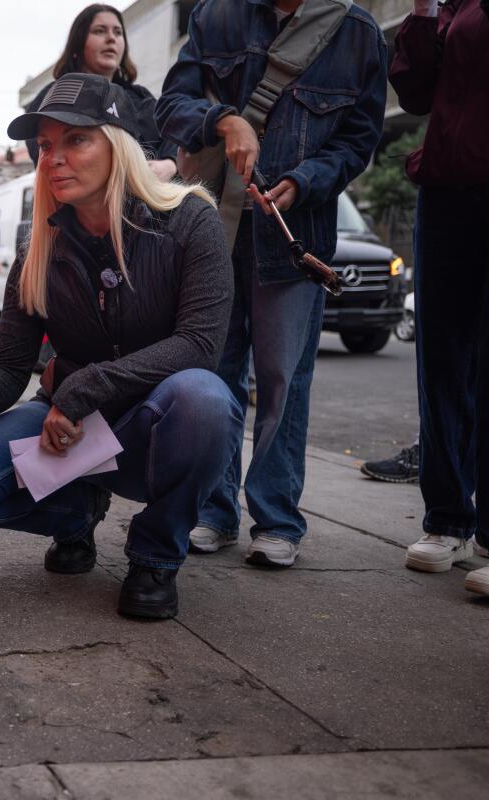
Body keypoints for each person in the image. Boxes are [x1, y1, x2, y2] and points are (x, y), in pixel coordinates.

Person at [0, 73, 241, 620]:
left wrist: (84, 386)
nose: (53, 159)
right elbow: (10, 368)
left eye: (76, 140)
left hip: (152, 428)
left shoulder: (189, 219)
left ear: (118, 146)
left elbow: (201, 345)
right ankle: (76, 513)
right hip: (68, 431)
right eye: (45, 146)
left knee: (205, 397)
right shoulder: (39, 249)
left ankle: (157, 555)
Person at [157, 0, 387, 568]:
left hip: (293, 237)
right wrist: (223, 120)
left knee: (284, 381)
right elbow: (170, 108)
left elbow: (359, 142)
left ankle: (278, 519)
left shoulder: (357, 32)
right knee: (213, 375)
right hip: (210, 233)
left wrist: (304, 180)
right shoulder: (217, 16)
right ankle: (213, 511)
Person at [388, 0, 489, 591]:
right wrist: (425, 14)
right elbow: (415, 94)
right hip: (448, 189)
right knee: (441, 358)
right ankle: (447, 517)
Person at [24, 4, 177, 181]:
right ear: (78, 43)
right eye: (99, 31)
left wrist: (169, 164)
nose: (111, 38)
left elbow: (174, 138)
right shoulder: (54, 97)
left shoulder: (141, 98)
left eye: (118, 32)